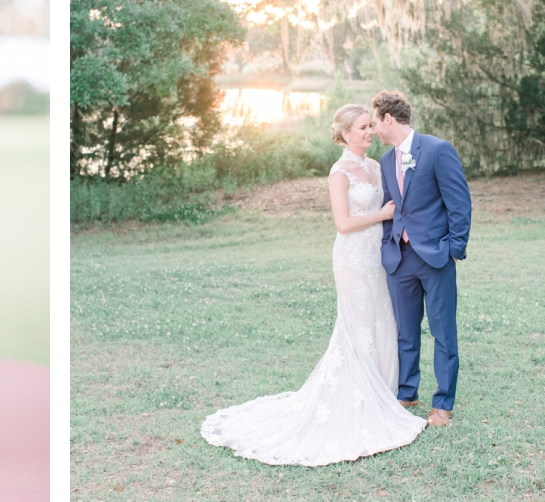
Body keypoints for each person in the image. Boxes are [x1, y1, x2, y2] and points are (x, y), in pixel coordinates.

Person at [200, 104, 426, 467]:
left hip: (379, 257)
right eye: (363, 127)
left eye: (371, 126)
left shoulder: (376, 165)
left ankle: (383, 391)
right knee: (357, 325)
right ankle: (358, 397)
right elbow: (343, 223)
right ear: (346, 134)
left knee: (383, 321)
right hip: (353, 257)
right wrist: (382, 215)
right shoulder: (340, 172)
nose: (370, 132)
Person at [371, 91, 471, 428]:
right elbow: (390, 207)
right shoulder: (386, 161)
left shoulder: (437, 150)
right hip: (400, 260)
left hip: (436, 258)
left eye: (375, 122)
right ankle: (407, 392)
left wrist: (453, 250)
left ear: (388, 118)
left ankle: (443, 404)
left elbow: (459, 203)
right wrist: (389, 242)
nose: (374, 130)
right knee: (405, 332)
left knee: (443, 332)